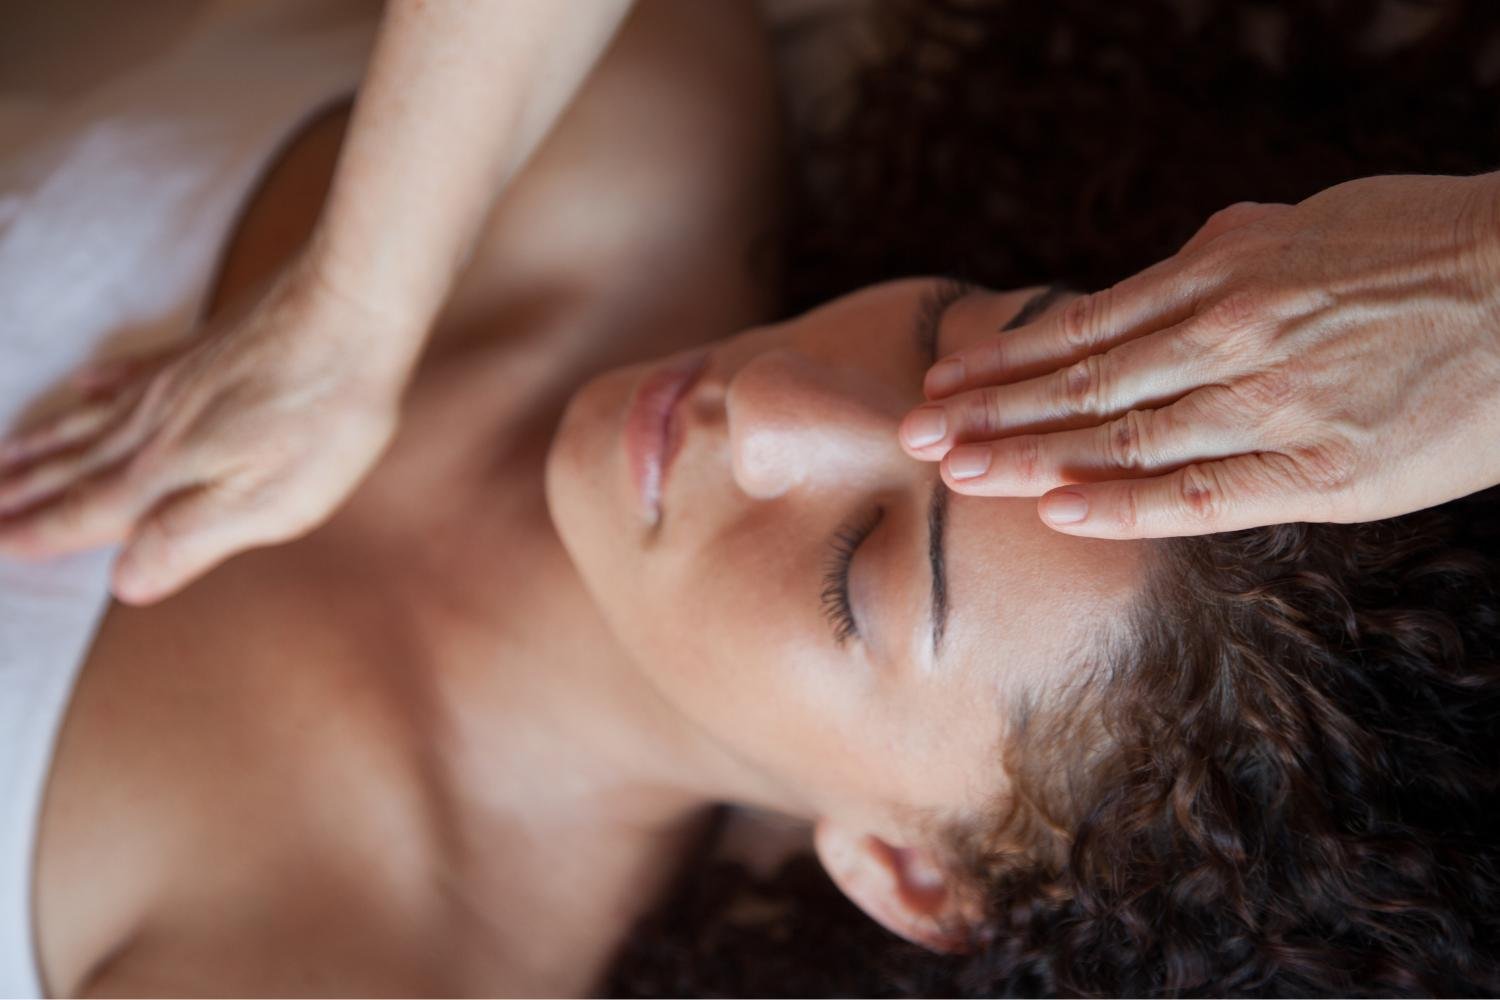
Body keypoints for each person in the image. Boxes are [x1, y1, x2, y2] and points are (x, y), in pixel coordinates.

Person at [3, 1, 1499, 997]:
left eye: (857, 573)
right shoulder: (628, 123)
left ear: (911, 870)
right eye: (959, 332)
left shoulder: (338, 961)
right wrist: (349, 305)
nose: (774, 409)